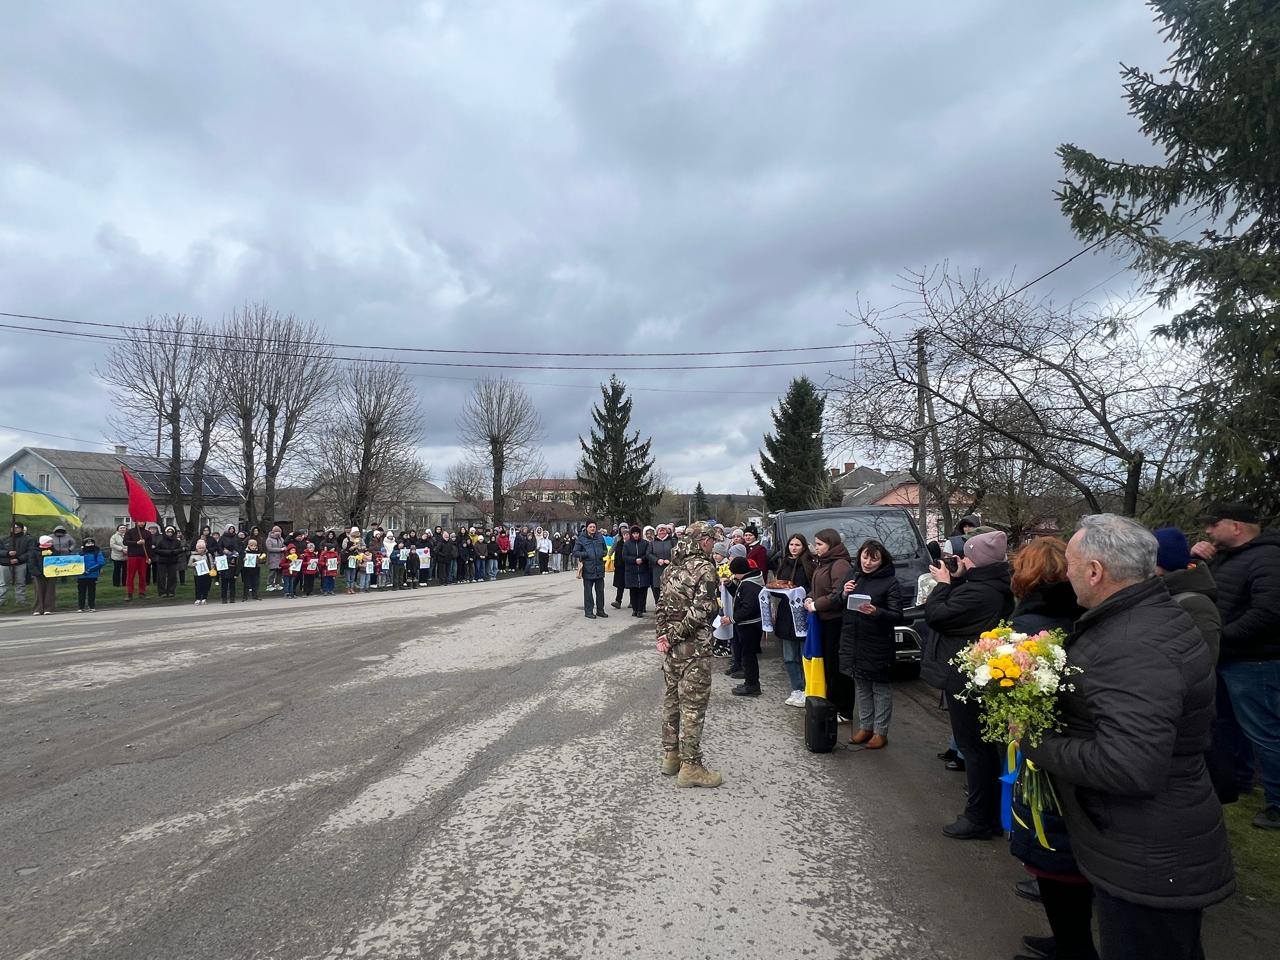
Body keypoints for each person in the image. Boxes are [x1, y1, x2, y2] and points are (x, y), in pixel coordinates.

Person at [1026, 515, 1234, 960]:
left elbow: (1129, 765)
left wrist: (1035, 740)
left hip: (1149, 850)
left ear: (1096, 571)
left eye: (1073, 563)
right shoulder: (1144, 617)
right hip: (1146, 841)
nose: (1066, 572)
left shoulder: (1132, 642)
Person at [1004, 537, 1091, 960]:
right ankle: (1069, 939)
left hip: (1049, 746)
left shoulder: (1031, 622)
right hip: (1077, 742)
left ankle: (1073, 946)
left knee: (1051, 837)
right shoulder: (1084, 611)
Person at [1191, 502, 1280, 829]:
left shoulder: (1268, 557)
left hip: (1255, 661)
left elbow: (1269, 612)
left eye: (1214, 524)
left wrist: (1221, 637)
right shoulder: (1226, 557)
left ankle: (1278, 804)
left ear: (1237, 526)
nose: (1209, 531)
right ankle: (1239, 780)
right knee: (1229, 726)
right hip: (1228, 659)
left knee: (1266, 732)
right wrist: (1195, 561)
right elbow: (1196, 588)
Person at [923, 529, 1014, 840]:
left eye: (964, 557)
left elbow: (937, 616)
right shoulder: (988, 585)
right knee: (981, 749)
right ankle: (986, 814)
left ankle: (979, 817)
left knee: (975, 749)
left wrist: (943, 585)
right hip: (973, 674)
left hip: (966, 678)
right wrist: (959, 580)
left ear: (973, 561)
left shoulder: (980, 593)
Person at [656, 521, 723, 788]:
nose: (713, 544)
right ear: (703, 540)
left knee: (672, 700)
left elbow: (661, 604)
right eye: (711, 540)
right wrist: (672, 636)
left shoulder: (673, 567)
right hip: (694, 648)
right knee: (693, 706)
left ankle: (671, 756)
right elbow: (701, 611)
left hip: (673, 650)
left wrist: (664, 636)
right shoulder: (705, 569)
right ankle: (691, 766)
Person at [840, 539, 904, 748]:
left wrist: (877, 611)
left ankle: (880, 731)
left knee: (880, 688)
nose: (868, 562)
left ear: (882, 560)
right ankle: (865, 727)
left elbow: (897, 615)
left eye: (874, 559)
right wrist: (844, 593)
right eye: (865, 557)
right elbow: (840, 603)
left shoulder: (890, 582)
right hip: (854, 639)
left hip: (878, 642)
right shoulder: (853, 575)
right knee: (862, 686)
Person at [803, 529, 855, 721]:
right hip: (822, 620)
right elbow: (816, 588)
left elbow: (837, 594)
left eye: (819, 544)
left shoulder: (840, 564)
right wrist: (809, 599)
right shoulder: (823, 562)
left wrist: (816, 604)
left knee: (837, 666)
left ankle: (844, 709)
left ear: (830, 545)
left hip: (836, 621)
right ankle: (831, 703)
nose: (815, 548)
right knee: (827, 665)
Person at [773, 533, 814, 707]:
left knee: (804, 654)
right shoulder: (783, 564)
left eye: (797, 545)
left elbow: (812, 587)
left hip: (802, 613)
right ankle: (796, 688)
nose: (794, 548)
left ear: (803, 546)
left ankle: (808, 688)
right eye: (791, 544)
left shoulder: (809, 565)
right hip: (785, 614)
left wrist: (799, 592)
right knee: (789, 656)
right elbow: (777, 587)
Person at [722, 556, 765, 696]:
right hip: (748, 624)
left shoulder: (749, 585)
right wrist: (730, 585)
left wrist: (731, 619)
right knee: (748, 655)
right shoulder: (747, 581)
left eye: (734, 572)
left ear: (739, 571)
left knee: (749, 656)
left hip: (750, 625)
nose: (733, 575)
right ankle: (750, 682)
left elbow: (748, 608)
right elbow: (739, 595)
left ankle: (752, 686)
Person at [572, 520, 609, 619]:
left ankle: (600, 610)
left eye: (594, 527)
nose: (592, 528)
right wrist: (586, 554)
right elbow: (575, 552)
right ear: (587, 528)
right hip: (588, 568)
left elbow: (605, 549)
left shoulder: (600, 537)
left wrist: (603, 553)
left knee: (600, 591)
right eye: (590, 527)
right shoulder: (581, 538)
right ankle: (588, 611)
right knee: (588, 592)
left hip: (599, 568)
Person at [1, 521, 33, 610]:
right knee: (3, 583)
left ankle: (20, 600)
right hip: (5, 563)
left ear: (22, 529)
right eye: (13, 527)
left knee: (20, 583)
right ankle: (2, 600)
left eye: (17, 527)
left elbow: (30, 552)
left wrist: (19, 559)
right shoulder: (4, 539)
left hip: (20, 564)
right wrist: (7, 553)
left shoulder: (28, 539)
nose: (15, 529)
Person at [622, 525, 651, 616]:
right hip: (631, 571)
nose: (635, 535)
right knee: (633, 591)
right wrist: (634, 560)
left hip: (643, 570)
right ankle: (634, 609)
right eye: (634, 533)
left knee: (642, 591)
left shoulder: (645, 543)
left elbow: (648, 554)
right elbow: (625, 556)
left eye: (637, 533)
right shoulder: (627, 544)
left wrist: (642, 559)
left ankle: (640, 609)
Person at [74, 535, 106, 613]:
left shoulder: (97, 552)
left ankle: (91, 606)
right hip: (81, 575)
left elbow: (101, 562)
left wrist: (90, 570)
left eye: (91, 543)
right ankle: (81, 607)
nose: (90, 545)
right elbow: (75, 562)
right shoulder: (80, 553)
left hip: (92, 575)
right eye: (88, 543)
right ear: (84, 544)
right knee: (81, 592)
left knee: (92, 591)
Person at [123, 520, 153, 600]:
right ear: (136, 522)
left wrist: (149, 557)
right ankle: (129, 593)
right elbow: (125, 542)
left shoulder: (148, 533)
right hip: (132, 556)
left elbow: (149, 546)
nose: (141, 523)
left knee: (143, 575)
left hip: (143, 557)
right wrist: (137, 543)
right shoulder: (130, 532)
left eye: (143, 521)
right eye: (140, 521)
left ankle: (142, 592)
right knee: (130, 575)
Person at [27, 534, 57, 616]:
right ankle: (38, 608)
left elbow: (57, 560)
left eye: (51, 542)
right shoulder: (34, 551)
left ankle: (48, 608)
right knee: (39, 591)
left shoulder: (53, 550)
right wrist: (37, 573)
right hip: (38, 574)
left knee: (50, 591)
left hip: (51, 574)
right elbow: (31, 563)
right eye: (49, 542)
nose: (51, 543)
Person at [152, 525, 182, 598]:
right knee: (161, 577)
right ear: (165, 532)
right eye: (168, 532)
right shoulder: (161, 540)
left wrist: (174, 552)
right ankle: (162, 592)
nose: (169, 533)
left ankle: (171, 591)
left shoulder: (177, 541)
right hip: (162, 561)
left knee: (172, 577)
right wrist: (167, 552)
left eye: (171, 532)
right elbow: (156, 550)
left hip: (173, 561)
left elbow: (180, 549)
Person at [649, 524, 674, 609]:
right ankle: (659, 606)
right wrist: (656, 560)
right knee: (657, 589)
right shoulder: (652, 542)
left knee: (669, 588)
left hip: (669, 569)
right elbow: (648, 554)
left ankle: (669, 607)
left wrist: (670, 560)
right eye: (660, 530)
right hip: (657, 569)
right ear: (657, 532)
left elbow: (676, 553)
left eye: (663, 530)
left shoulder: (672, 541)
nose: (662, 531)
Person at [216, 525, 240, 603]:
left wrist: (235, 552)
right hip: (224, 560)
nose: (232, 530)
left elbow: (238, 547)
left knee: (232, 581)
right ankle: (224, 598)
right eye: (230, 528)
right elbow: (219, 547)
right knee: (224, 581)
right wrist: (223, 551)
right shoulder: (223, 538)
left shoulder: (235, 537)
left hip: (233, 559)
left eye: (233, 528)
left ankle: (232, 598)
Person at [189, 539, 214, 605]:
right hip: (197, 574)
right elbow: (189, 564)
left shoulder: (208, 555)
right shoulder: (193, 556)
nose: (201, 549)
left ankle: (204, 598)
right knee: (198, 586)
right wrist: (193, 565)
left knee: (206, 586)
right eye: (199, 548)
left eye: (202, 548)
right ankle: (198, 598)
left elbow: (211, 563)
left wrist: (212, 569)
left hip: (207, 573)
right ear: (197, 548)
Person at [265, 525, 286, 591]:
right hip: (273, 558)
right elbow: (270, 549)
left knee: (280, 572)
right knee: (272, 572)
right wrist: (280, 549)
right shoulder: (269, 539)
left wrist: (284, 548)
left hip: (280, 557)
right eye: (277, 531)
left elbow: (284, 545)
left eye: (279, 532)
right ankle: (269, 585)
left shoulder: (281, 539)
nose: (278, 533)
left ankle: (278, 584)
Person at [108, 523, 127, 587]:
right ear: (118, 529)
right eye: (121, 528)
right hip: (117, 556)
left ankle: (125, 583)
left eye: (124, 528)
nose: (122, 529)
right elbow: (112, 545)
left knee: (125, 571)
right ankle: (116, 584)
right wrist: (121, 549)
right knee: (117, 570)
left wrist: (127, 549)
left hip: (126, 556)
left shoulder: (128, 535)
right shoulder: (114, 536)